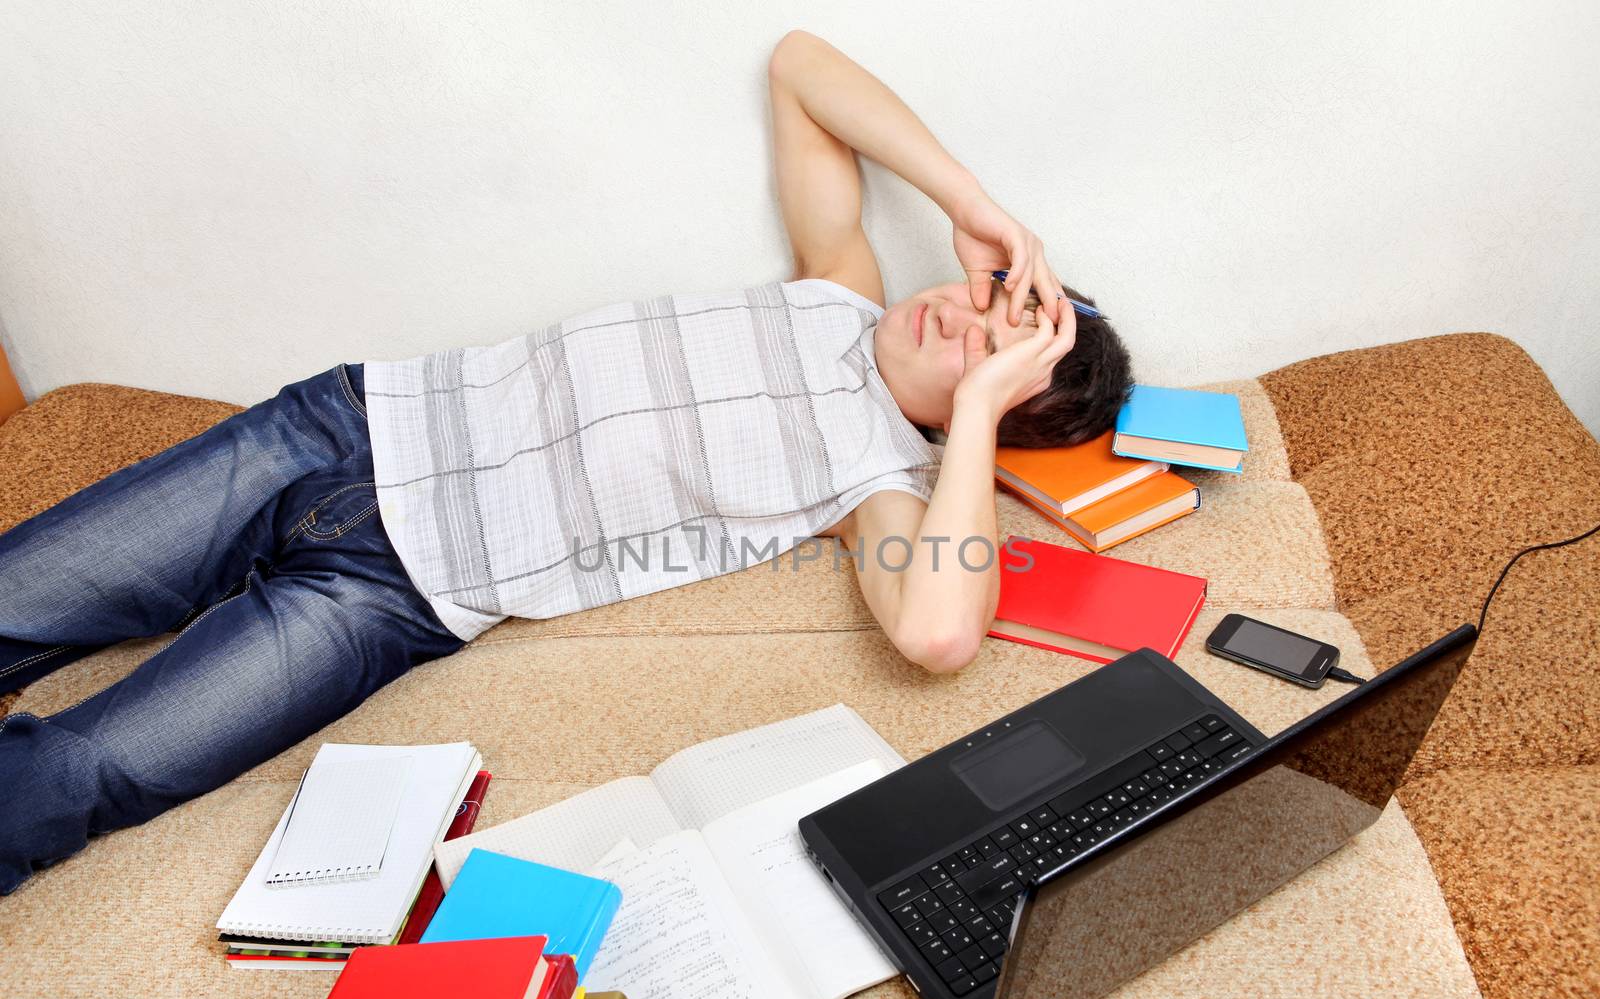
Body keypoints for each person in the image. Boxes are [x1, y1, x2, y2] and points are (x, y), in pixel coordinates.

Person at [0, 29, 1131, 895]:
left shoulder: (878, 485)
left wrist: (974, 413)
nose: (959, 315)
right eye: (988, 300)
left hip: (385, 596)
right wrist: (969, 203)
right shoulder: (836, 282)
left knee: (82, 778)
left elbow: (937, 634)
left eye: (992, 353)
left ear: (980, 418)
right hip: (342, 426)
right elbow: (797, 63)